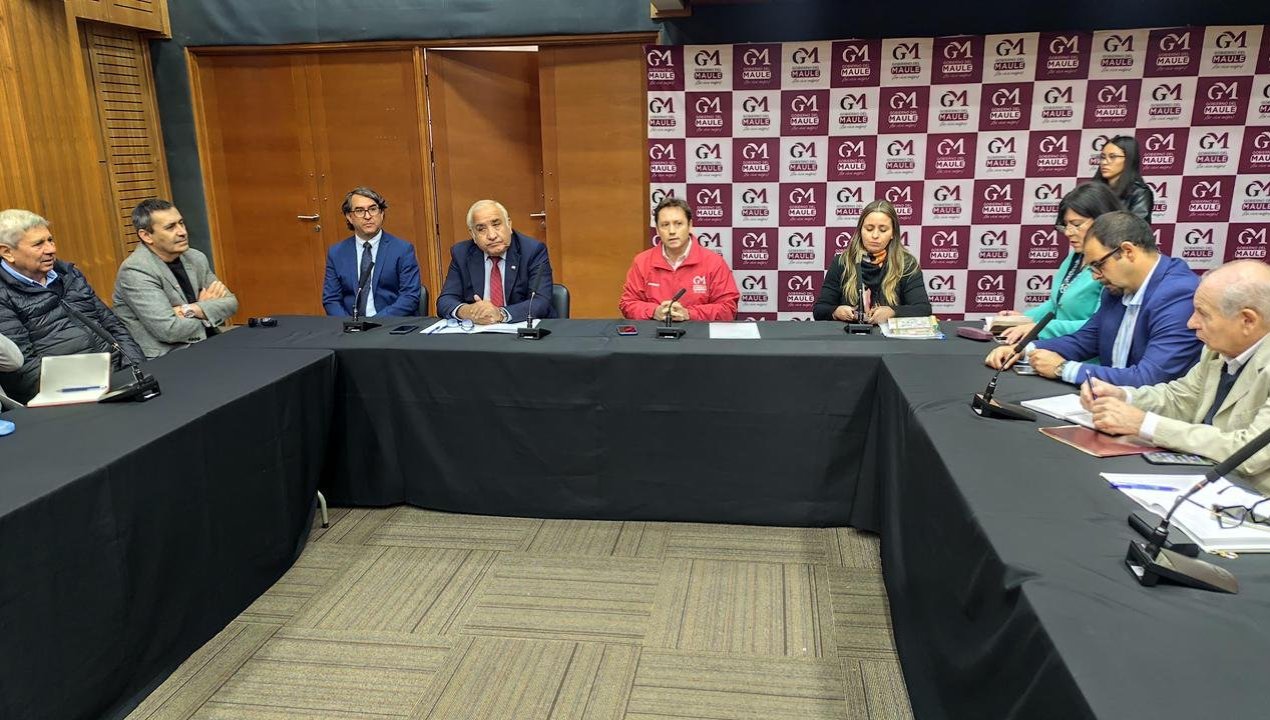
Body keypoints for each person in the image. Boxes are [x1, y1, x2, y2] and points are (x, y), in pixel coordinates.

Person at [1081, 261, 1270, 494]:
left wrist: (1143, 424)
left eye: (1203, 313)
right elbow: (1181, 397)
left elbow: (1250, 452)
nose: (1191, 323)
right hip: (1206, 481)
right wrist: (1123, 396)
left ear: (1248, 321)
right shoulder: (1216, 350)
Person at [986, 210, 1200, 386]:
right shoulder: (1117, 287)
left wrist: (1063, 369)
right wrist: (1025, 350)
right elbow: (1087, 339)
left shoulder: (1179, 295)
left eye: (1098, 265)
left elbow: (1149, 378)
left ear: (1127, 251)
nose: (1095, 276)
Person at [0, 208, 144, 403]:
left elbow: (112, 325)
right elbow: (23, 370)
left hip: (116, 377)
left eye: (50, 240)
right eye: (38, 244)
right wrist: (91, 388)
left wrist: (136, 366)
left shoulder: (69, 275)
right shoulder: (3, 295)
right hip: (68, 396)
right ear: (7, 252)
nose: (51, 249)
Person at [112, 199, 238, 358]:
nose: (182, 232)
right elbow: (169, 330)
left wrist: (189, 310)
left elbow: (231, 303)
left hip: (209, 343)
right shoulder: (136, 270)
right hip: (168, 356)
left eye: (181, 223)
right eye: (170, 227)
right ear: (146, 236)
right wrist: (207, 311)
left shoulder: (195, 258)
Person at [996, 183, 1121, 344]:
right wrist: (1024, 319)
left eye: (1076, 225)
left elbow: (1098, 326)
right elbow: (1056, 304)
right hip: (1060, 346)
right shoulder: (1075, 256)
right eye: (1065, 225)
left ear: (1102, 220)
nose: (1068, 232)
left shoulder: (1114, 268)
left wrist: (1038, 328)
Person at [436, 199, 555, 324]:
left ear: (509, 225)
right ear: (473, 234)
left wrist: (500, 314)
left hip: (520, 328)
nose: (492, 236)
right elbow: (445, 300)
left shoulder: (532, 251)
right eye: (481, 229)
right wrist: (468, 311)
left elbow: (540, 301)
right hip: (478, 330)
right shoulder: (462, 253)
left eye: (496, 224)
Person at [620, 197, 738, 321]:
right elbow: (627, 303)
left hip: (698, 332)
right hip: (654, 331)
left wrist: (689, 314)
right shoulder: (642, 261)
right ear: (657, 230)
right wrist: (654, 312)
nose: (672, 231)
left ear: (690, 225)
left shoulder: (714, 262)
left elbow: (728, 308)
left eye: (678, 224)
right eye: (665, 225)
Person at [813, 199, 930, 323]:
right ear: (860, 231)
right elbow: (820, 310)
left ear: (893, 234)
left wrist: (893, 312)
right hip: (849, 334)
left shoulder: (906, 264)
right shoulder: (842, 262)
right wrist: (836, 311)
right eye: (869, 229)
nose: (875, 235)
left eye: (883, 230)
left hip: (888, 335)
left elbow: (923, 309)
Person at [322, 187, 422, 317]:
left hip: (389, 324)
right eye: (359, 211)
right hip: (349, 325)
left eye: (373, 209)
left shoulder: (402, 250)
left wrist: (374, 323)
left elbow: (410, 297)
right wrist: (349, 324)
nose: (368, 216)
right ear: (349, 217)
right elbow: (331, 299)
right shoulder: (337, 253)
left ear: (382, 213)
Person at [1090, 135, 1153, 223]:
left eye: (1112, 157)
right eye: (1103, 157)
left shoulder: (1139, 193)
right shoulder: (1092, 189)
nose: (1104, 162)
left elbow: (1137, 228)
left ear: (1129, 159)